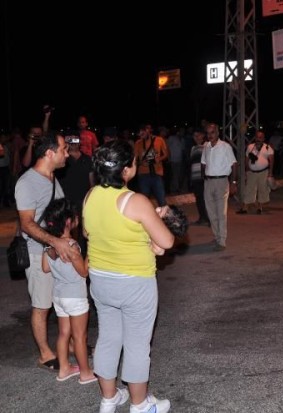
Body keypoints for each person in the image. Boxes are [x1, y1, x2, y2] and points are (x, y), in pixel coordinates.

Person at [82, 140, 175, 413]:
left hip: (100, 279)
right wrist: (159, 219)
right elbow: (167, 241)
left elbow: (88, 233)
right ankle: (139, 404)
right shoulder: (135, 200)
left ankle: (109, 399)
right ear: (126, 170)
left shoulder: (90, 196)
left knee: (108, 337)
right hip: (134, 283)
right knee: (136, 344)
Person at [15, 131, 76, 371]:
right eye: (63, 149)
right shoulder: (27, 182)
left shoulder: (52, 178)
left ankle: (70, 344)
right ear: (49, 153)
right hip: (36, 252)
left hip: (55, 250)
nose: (67, 153)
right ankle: (44, 353)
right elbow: (27, 223)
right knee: (42, 305)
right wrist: (55, 242)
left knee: (64, 301)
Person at [41, 198, 96, 384]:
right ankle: (86, 373)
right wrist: (91, 251)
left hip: (59, 296)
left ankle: (64, 368)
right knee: (80, 336)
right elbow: (84, 271)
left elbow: (46, 268)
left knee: (64, 333)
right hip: (75, 296)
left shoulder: (50, 245)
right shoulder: (71, 245)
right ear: (68, 222)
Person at [201, 122, 237, 251]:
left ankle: (222, 241)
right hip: (209, 182)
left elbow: (234, 164)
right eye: (208, 133)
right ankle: (217, 236)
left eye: (212, 132)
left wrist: (233, 182)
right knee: (211, 212)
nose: (210, 135)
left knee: (221, 212)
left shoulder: (225, 147)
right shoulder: (206, 146)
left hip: (222, 181)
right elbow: (203, 163)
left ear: (218, 133)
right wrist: (203, 177)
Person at [56, 133, 94, 258]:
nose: (73, 143)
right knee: (68, 229)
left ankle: (83, 255)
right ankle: (70, 254)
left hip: (83, 199)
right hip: (67, 200)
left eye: (76, 140)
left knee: (85, 229)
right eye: (70, 140)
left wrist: (92, 196)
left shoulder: (87, 159)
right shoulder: (63, 159)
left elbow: (91, 180)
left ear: (80, 142)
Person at [236, 130, 274, 214]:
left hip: (263, 172)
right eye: (257, 137)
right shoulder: (250, 147)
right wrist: (247, 169)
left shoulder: (267, 147)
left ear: (263, 138)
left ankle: (259, 208)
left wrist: (270, 173)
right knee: (249, 189)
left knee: (262, 189)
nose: (258, 139)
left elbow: (271, 160)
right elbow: (246, 159)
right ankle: (245, 208)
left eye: (260, 137)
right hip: (251, 172)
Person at [134, 123, 169, 207]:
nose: (141, 136)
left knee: (161, 200)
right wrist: (141, 163)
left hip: (157, 173)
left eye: (142, 134)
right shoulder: (138, 143)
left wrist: (159, 159)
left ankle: (165, 219)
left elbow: (166, 154)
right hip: (143, 174)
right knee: (144, 201)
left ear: (147, 131)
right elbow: (134, 160)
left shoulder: (159, 140)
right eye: (139, 135)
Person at [189, 128, 210, 225]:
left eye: (198, 135)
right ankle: (202, 218)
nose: (196, 138)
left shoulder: (207, 146)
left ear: (203, 136)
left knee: (206, 198)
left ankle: (209, 219)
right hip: (195, 177)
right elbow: (192, 164)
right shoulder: (193, 148)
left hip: (205, 176)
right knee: (199, 198)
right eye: (194, 136)